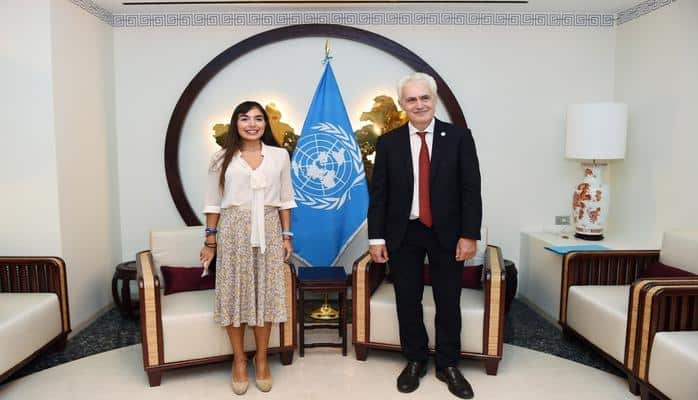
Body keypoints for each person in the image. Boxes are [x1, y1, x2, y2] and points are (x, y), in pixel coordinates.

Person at [367, 73, 482, 399]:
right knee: (407, 299)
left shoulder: (459, 137)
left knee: (448, 300)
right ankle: (415, 359)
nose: (419, 104)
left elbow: (471, 189)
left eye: (424, 98)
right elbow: (379, 195)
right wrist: (376, 238)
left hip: (448, 233)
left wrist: (469, 234)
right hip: (404, 232)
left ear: (434, 100)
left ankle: (448, 364)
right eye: (411, 99)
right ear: (402, 104)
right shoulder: (388, 143)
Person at [200, 101, 296, 395]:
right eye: (245, 119)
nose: (252, 124)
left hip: (269, 228)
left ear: (265, 124)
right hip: (233, 230)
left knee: (265, 294)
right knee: (234, 295)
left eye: (258, 119)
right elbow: (213, 202)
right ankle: (240, 359)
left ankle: (262, 358)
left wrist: (286, 236)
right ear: (236, 123)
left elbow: (286, 199)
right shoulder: (221, 158)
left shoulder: (279, 155)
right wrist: (210, 241)